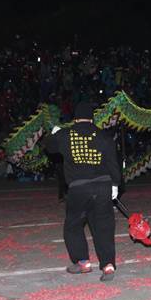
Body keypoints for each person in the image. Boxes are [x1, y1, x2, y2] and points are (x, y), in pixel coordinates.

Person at [46, 102, 121, 282]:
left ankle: (82, 262)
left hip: (79, 188)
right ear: (92, 117)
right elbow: (113, 163)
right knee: (104, 226)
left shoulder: (66, 135)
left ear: (75, 118)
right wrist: (116, 184)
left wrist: (54, 134)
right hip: (103, 186)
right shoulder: (103, 136)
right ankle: (108, 264)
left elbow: (49, 149)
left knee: (73, 226)